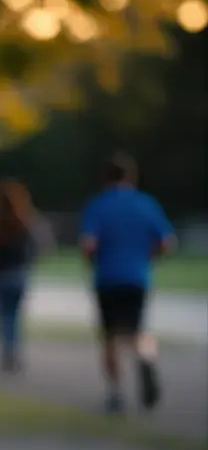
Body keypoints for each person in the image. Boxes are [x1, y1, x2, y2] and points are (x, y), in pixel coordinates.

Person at [78, 152, 177, 413]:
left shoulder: (98, 205)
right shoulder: (146, 203)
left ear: (105, 177)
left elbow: (89, 244)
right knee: (139, 329)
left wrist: (91, 262)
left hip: (108, 278)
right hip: (137, 276)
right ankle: (146, 359)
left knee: (110, 337)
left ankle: (116, 393)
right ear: (131, 176)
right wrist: (148, 257)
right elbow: (167, 241)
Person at [0, 179, 47, 373]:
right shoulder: (26, 222)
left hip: (0, 274)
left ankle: (6, 352)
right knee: (15, 316)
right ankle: (14, 352)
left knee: (3, 317)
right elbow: (40, 245)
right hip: (19, 273)